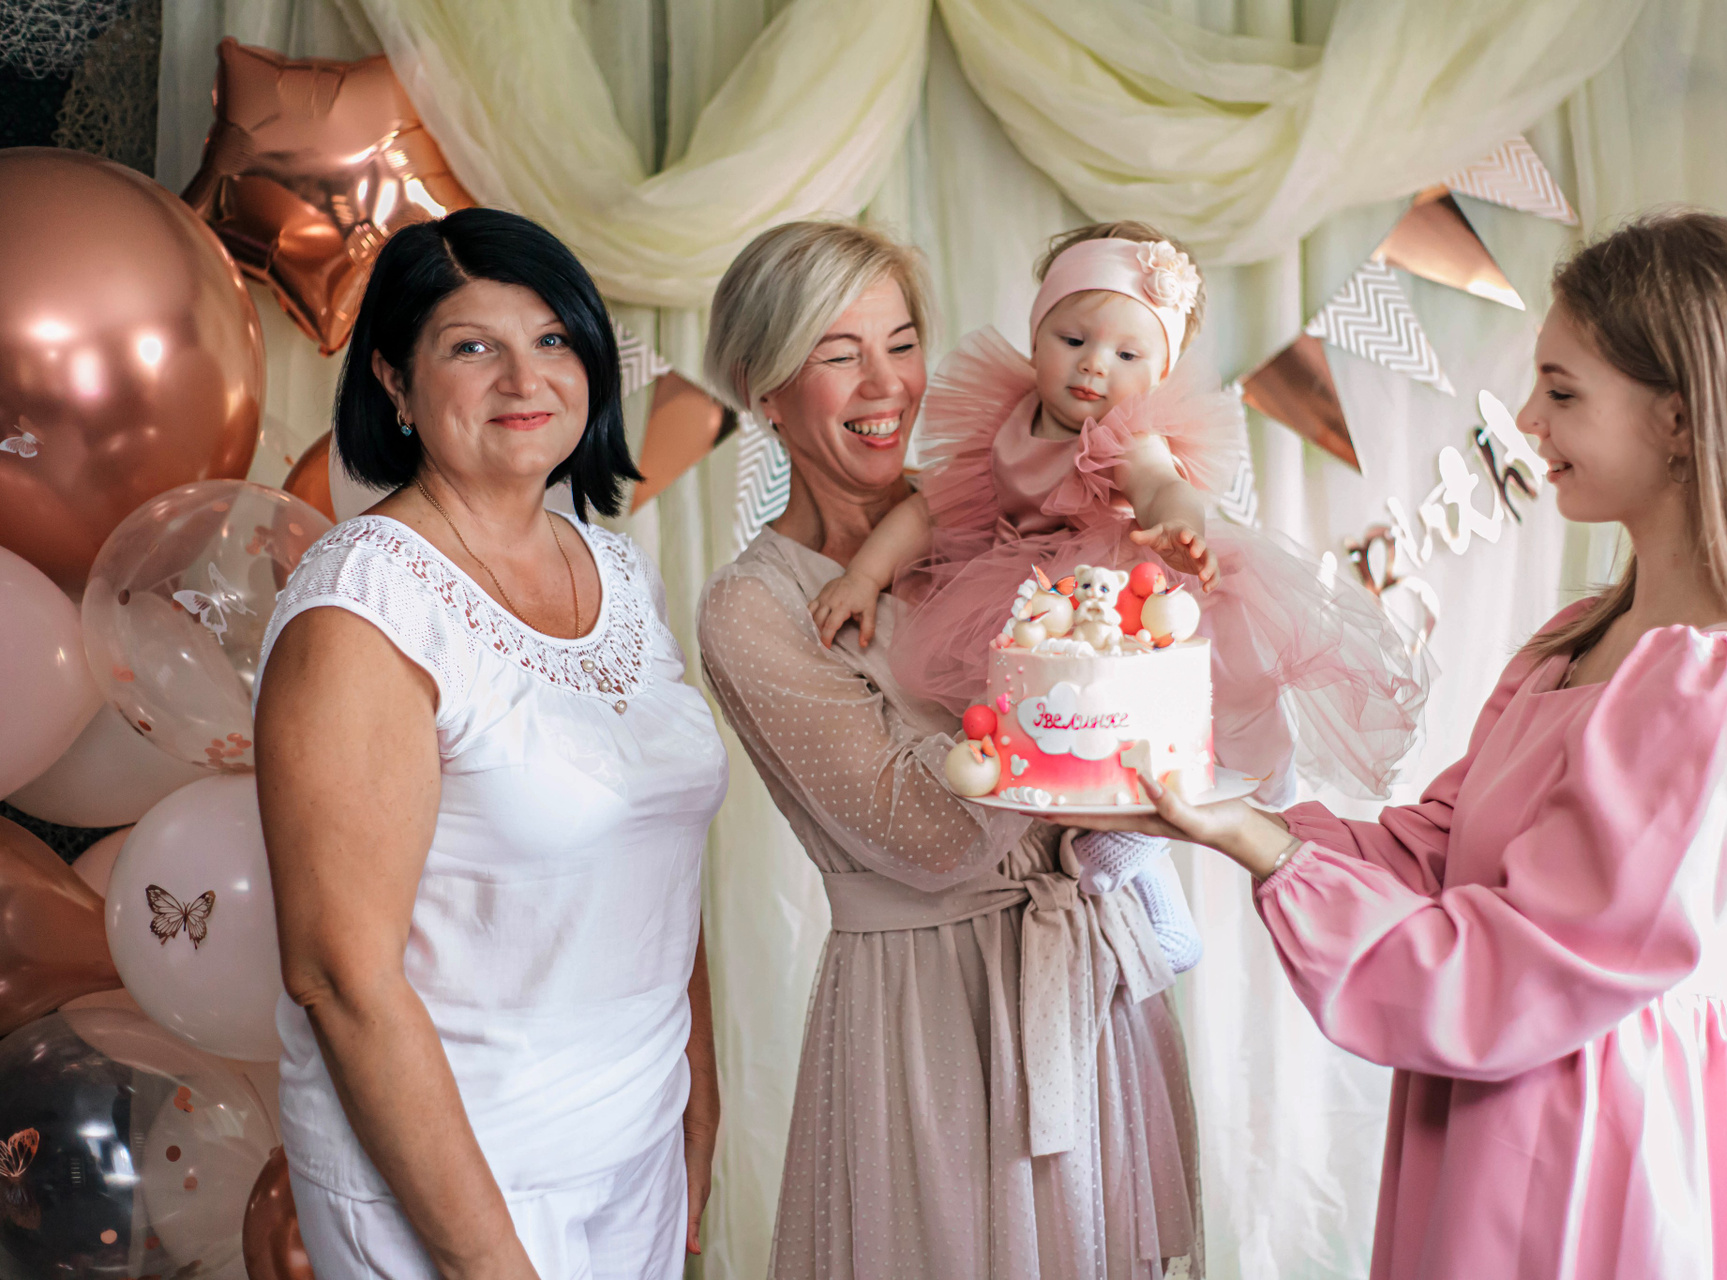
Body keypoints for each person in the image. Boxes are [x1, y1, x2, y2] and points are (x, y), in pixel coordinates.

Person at [1078, 210, 1727, 1279]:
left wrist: (1262, 847)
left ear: (1680, 420)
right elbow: (1437, 853)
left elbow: (1512, 976)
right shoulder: (1574, 643)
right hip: (1490, 1124)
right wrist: (1224, 815)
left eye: (1563, 391)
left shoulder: (1719, 691)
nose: (1529, 421)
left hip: (1602, 1146)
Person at [696, 220, 1201, 1278]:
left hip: (1090, 987)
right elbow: (930, 832)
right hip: (933, 1019)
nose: (888, 385)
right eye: (840, 353)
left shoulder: (993, 505)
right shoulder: (757, 609)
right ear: (764, 388)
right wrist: (1082, 681)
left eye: (903, 342)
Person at [254, 208, 729, 1280]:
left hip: (636, 1140)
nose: (525, 378)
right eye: (473, 347)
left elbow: (659, 859)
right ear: (394, 380)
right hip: (453, 1179)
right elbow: (338, 975)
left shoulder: (617, 571)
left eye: (552, 338)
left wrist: (698, 1091)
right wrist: (486, 1263)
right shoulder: (365, 605)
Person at [805, 222, 1430, 952]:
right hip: (1035, 600)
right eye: (1072, 339)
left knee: (1156, 754)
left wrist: (1177, 526)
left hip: (1120, 590)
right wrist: (864, 574)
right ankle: (1107, 849)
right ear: (1035, 335)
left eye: (1127, 355)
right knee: (1064, 748)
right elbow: (929, 511)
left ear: (1159, 375)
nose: (1093, 366)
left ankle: (1142, 859)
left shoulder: (1127, 435)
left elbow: (1161, 483)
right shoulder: (1000, 422)